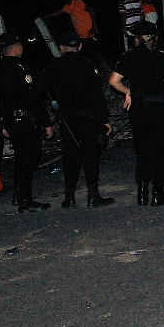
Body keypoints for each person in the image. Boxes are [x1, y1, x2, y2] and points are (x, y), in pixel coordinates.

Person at [43, 30, 114, 208]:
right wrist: (104, 119)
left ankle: (69, 197)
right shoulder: (87, 65)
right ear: (80, 46)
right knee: (91, 156)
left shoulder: (53, 67)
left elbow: (45, 91)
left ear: (61, 48)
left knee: (71, 157)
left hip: (68, 120)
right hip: (88, 118)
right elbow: (97, 95)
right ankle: (93, 196)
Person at [109, 21, 164, 206]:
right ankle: (157, 193)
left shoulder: (129, 56)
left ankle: (142, 192)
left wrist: (129, 91)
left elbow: (113, 81)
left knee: (143, 150)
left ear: (137, 38)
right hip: (158, 107)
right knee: (160, 150)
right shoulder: (160, 57)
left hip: (138, 108)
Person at [0, 34, 54, 213]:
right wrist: (45, 122)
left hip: (11, 120)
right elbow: (33, 97)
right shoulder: (20, 68)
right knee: (29, 158)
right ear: (16, 47)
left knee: (21, 158)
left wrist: (3, 122)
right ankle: (25, 200)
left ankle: (19, 194)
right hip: (25, 120)